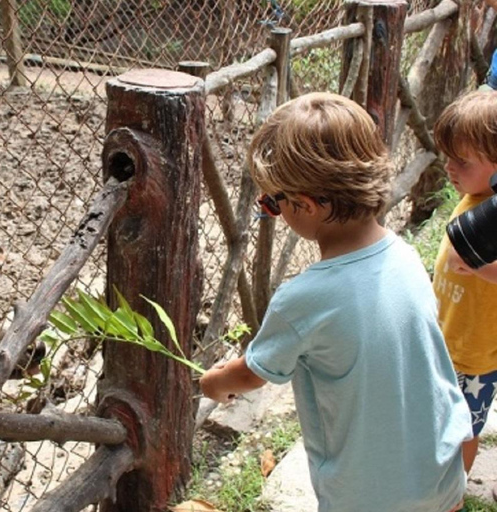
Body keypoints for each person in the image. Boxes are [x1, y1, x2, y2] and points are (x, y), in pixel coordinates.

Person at [200, 92, 471, 512]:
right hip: (440, 470)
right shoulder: (405, 255)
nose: (270, 210)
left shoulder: (304, 299)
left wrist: (214, 382)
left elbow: (254, 374)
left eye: (271, 203)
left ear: (304, 205)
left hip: (369, 496)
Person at [432, 90, 497, 488]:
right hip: (445, 339)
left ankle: (453, 491)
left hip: (474, 355)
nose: (449, 168)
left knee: (465, 429)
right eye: (448, 157)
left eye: (462, 161)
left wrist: (478, 264)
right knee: (438, 418)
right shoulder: (474, 198)